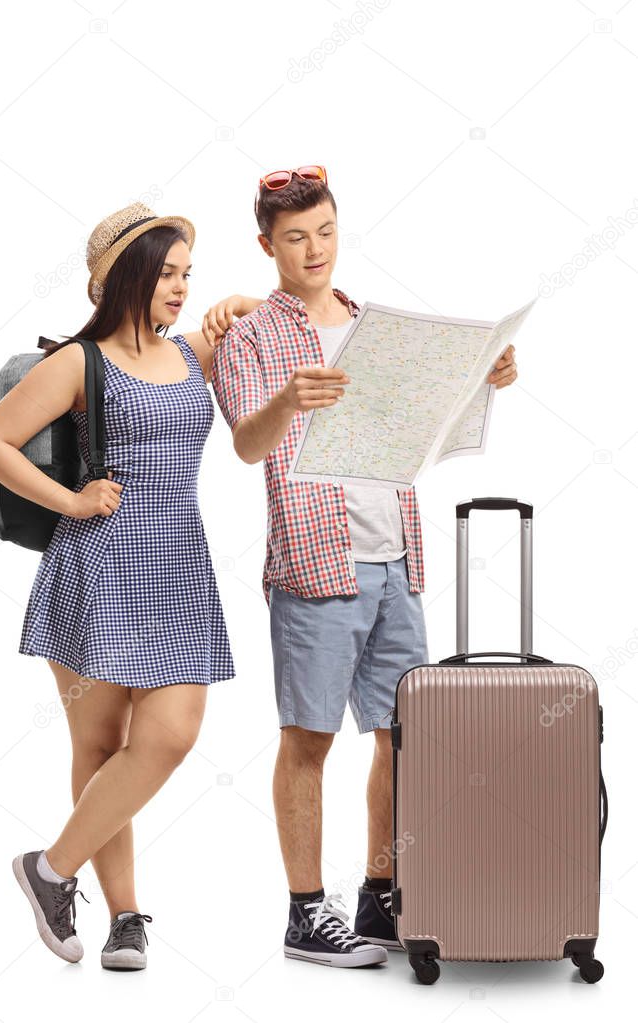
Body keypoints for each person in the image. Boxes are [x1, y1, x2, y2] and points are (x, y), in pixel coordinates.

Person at [211, 167, 518, 968]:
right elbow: (247, 445)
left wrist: (485, 377)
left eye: (324, 232)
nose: (313, 250)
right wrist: (289, 401)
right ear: (266, 246)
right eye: (294, 238)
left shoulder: (373, 323)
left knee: (401, 734)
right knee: (309, 737)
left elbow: (428, 418)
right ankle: (306, 913)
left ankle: (379, 896)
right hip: (315, 565)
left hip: (395, 554)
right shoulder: (251, 336)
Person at [0, 202, 261, 971]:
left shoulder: (189, 353)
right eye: (167, 273)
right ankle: (125, 916)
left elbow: (263, 321)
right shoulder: (78, 361)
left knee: (168, 735)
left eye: (187, 274)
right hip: (96, 565)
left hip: (178, 566)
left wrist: (241, 303)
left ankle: (48, 869)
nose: (181, 288)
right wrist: (70, 499)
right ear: (124, 276)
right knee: (100, 744)